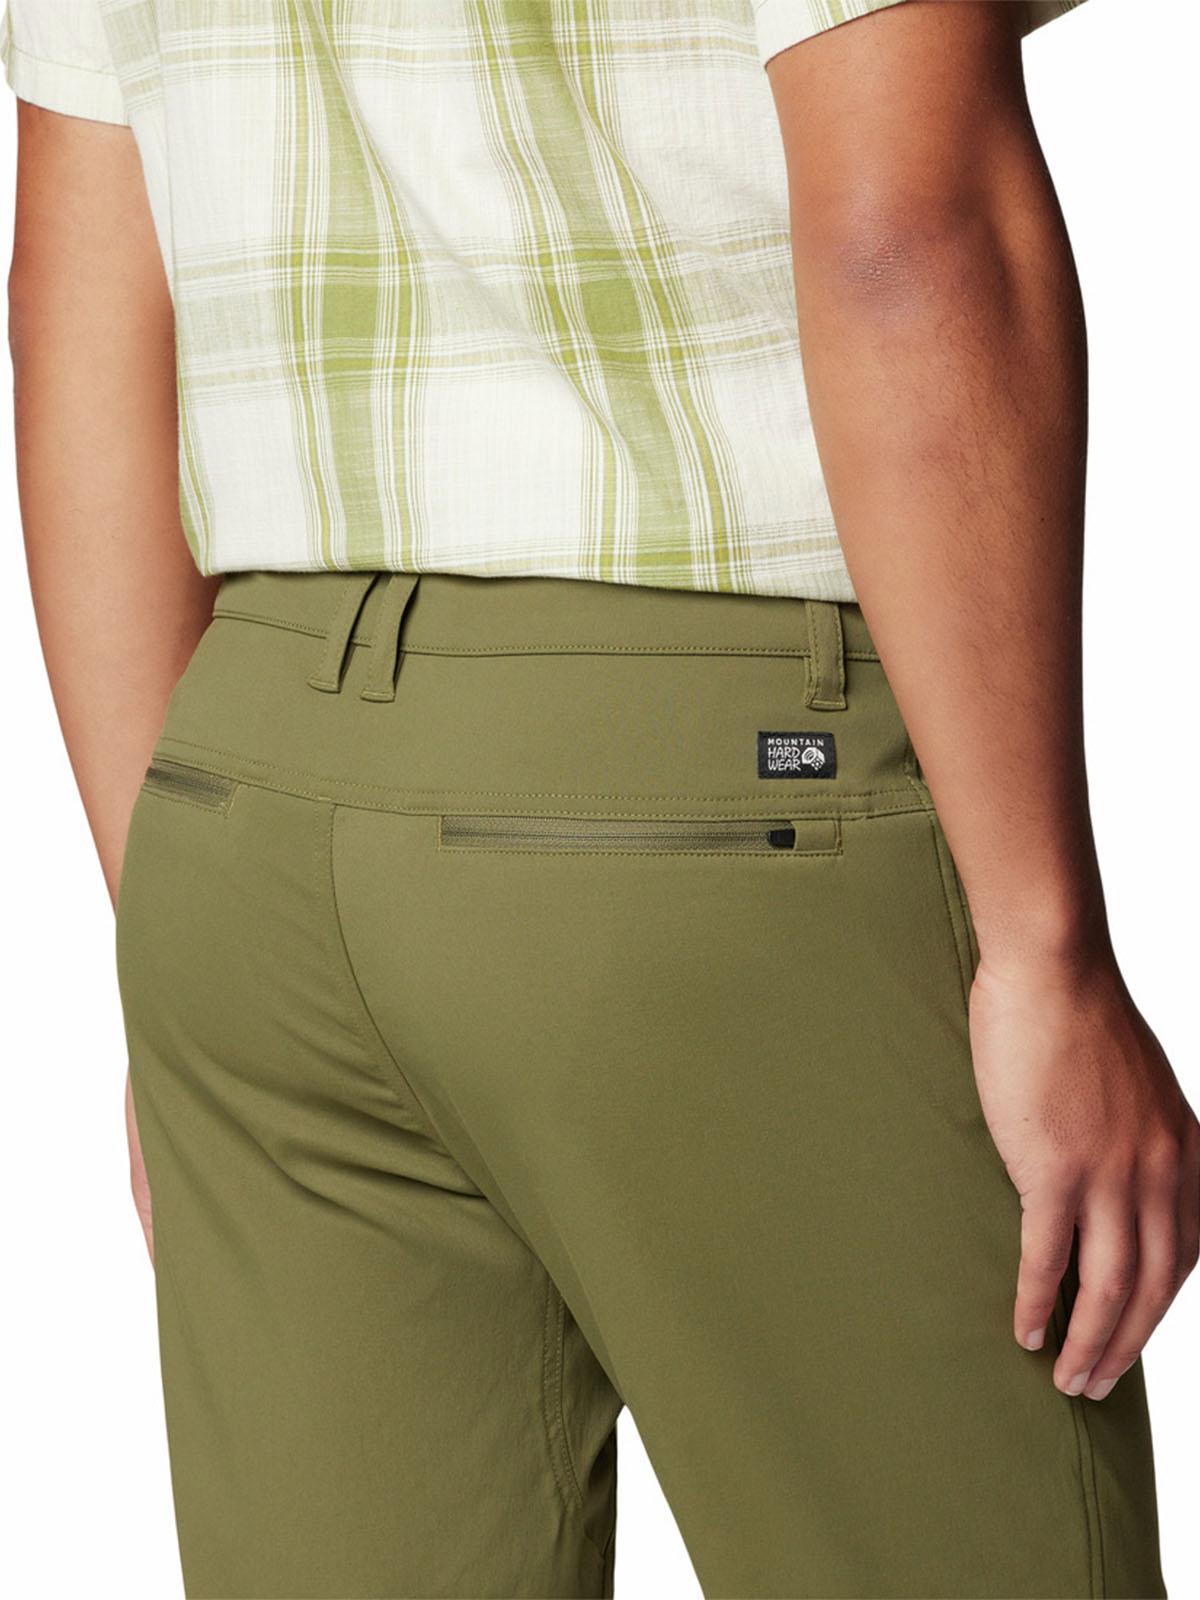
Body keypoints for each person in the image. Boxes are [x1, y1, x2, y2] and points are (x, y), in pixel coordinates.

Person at [4, 1, 1196, 1596]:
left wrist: (168, 913)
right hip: (714, 800)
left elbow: (76, 298)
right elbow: (911, 229)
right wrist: (1045, 954)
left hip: (252, 826)